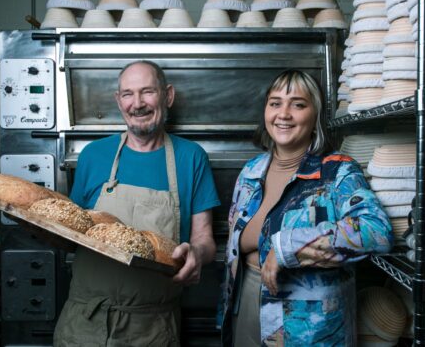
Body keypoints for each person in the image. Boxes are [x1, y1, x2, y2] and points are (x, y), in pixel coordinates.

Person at [218, 70, 393, 346]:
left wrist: (290, 247)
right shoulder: (250, 171)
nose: (283, 113)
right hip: (245, 304)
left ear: (315, 117)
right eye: (275, 103)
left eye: (298, 104)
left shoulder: (337, 172)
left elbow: (376, 231)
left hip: (307, 327)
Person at [54, 60, 220, 347]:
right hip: (83, 322)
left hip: (153, 328)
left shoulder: (191, 157)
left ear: (168, 95)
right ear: (119, 101)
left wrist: (196, 252)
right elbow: (72, 232)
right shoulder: (93, 155)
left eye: (148, 92)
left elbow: (204, 239)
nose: (138, 104)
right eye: (128, 94)